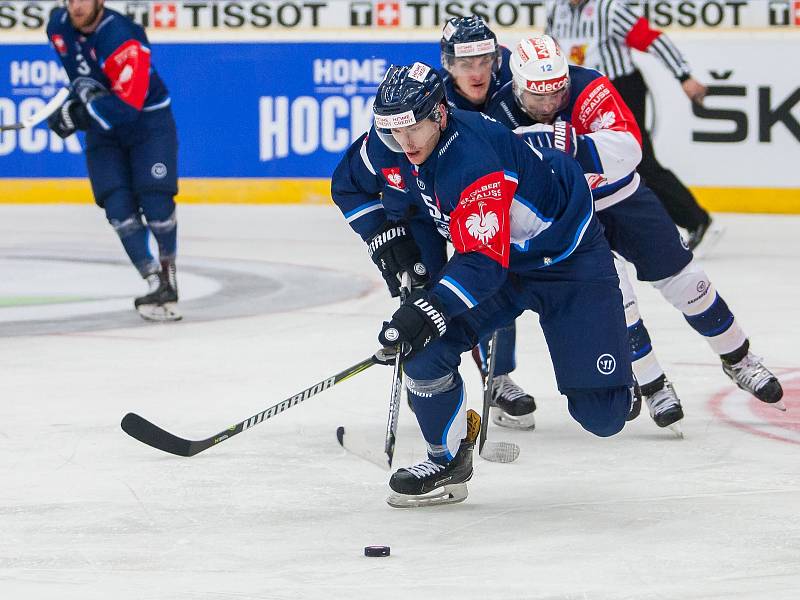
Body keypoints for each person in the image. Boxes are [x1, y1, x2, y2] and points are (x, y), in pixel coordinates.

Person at [332, 62, 635, 507]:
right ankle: (447, 460)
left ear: (439, 113)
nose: (404, 143)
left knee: (604, 416)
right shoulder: (391, 138)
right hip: (497, 258)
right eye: (394, 132)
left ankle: (613, 342)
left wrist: (427, 307)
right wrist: (391, 242)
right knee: (425, 349)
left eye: (413, 129)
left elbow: (484, 265)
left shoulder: (472, 160)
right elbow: (348, 187)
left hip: (567, 259)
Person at [485, 35, 784, 432]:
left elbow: (629, 147)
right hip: (575, 218)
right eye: (537, 97)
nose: (547, 105)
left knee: (688, 283)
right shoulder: (498, 111)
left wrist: (577, 145)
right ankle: (654, 384)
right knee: (617, 302)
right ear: (517, 85)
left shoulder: (590, 86)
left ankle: (739, 359)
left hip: (625, 200)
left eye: (557, 93)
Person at [46, 0, 180, 321]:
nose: (77, 6)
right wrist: (71, 106)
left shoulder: (121, 38)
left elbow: (127, 107)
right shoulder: (58, 27)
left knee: (156, 201)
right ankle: (154, 281)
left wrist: (77, 116)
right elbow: (84, 75)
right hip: (104, 129)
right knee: (117, 206)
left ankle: (168, 271)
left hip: (147, 123)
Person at [545, 0, 715, 251]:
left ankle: (695, 219)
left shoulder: (610, 8)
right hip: (580, 92)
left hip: (621, 89)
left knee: (639, 159)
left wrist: (684, 75)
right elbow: (549, 51)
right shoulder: (555, 10)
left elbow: (652, 39)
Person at [439, 15, 534, 428]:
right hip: (452, 209)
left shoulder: (516, 83)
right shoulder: (434, 102)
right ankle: (452, 378)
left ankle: (500, 378)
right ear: (448, 64)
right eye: (465, 64)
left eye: (484, 60)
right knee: (456, 288)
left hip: (518, 205)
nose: (476, 73)